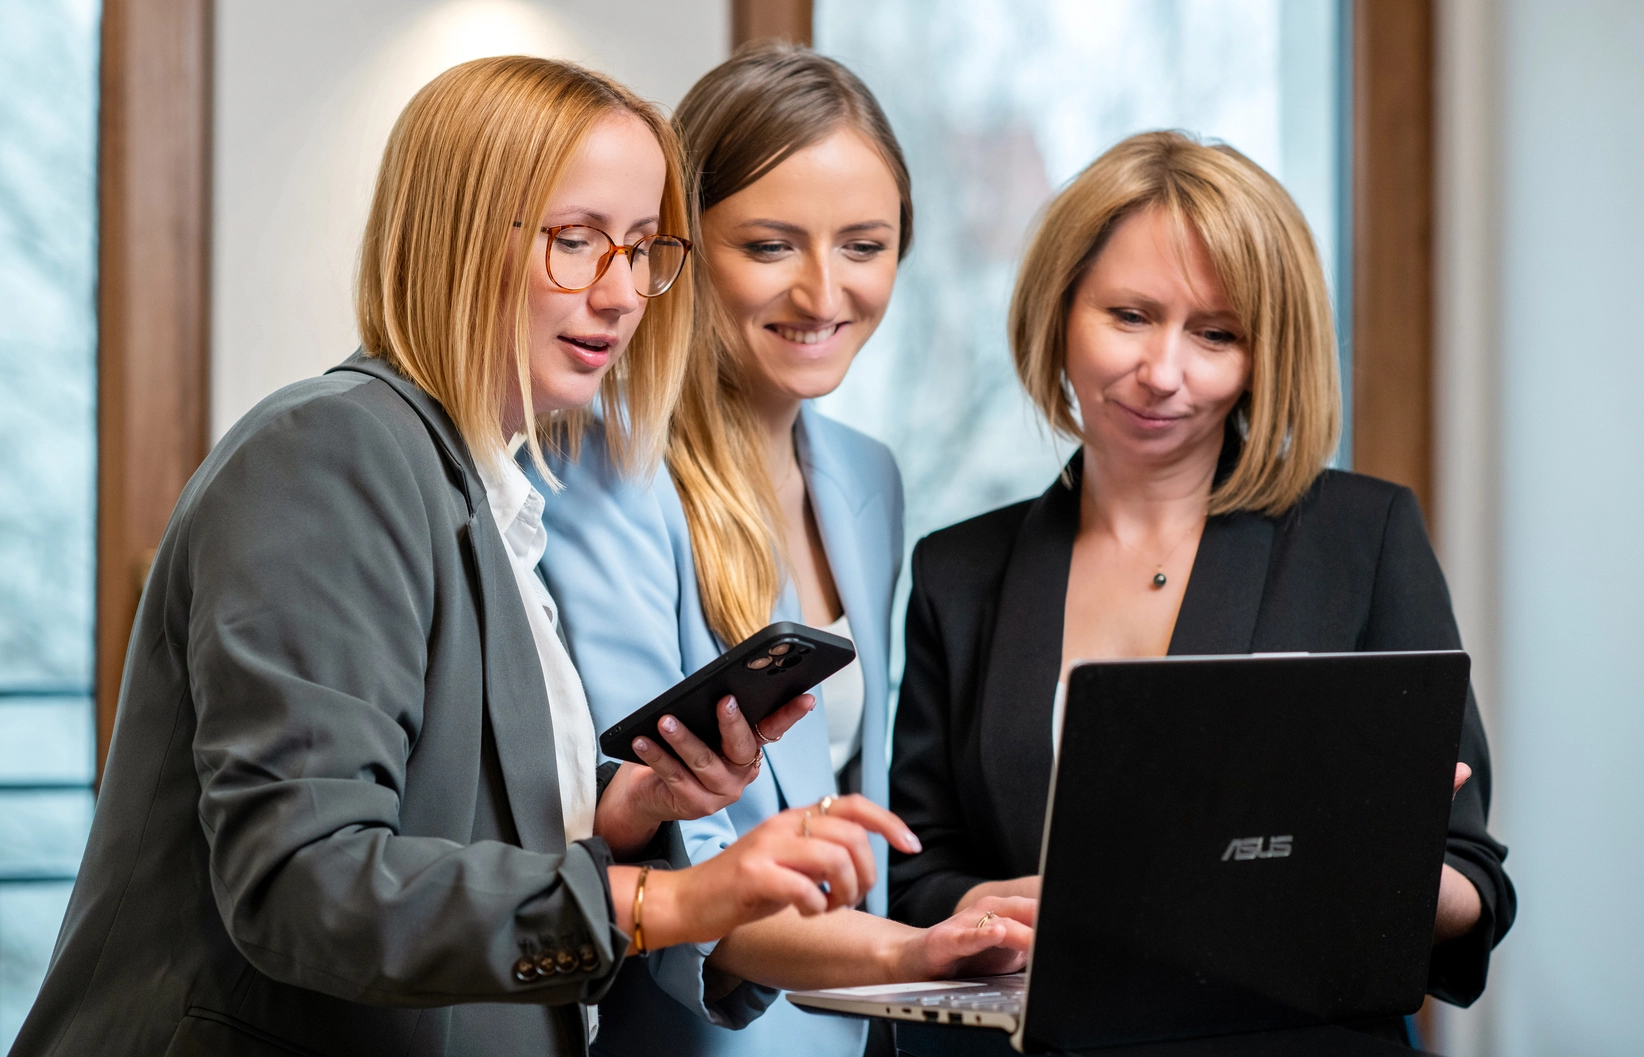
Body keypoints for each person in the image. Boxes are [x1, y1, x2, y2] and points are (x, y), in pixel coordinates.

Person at [10, 56, 915, 1057]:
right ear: (453, 235)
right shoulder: (329, 452)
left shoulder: (489, 493)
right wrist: (668, 895)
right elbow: (306, 886)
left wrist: (622, 814)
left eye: (642, 248)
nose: (623, 295)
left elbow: (447, 848)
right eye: (576, 243)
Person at [888, 131, 1516, 1039]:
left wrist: (1375, 871)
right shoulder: (958, 571)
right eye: (1130, 316)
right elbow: (915, 872)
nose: (1164, 373)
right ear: (1059, 310)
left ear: (1265, 354)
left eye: (1215, 334)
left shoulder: (1363, 538)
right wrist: (991, 905)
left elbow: (1474, 878)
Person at [529, 44, 1033, 1057]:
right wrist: (913, 950)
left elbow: (847, 796)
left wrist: (950, 925)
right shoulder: (603, 474)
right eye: (769, 246)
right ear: (681, 249)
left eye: (864, 244)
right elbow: (674, 862)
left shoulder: (866, 476)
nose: (822, 291)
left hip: (849, 1025)